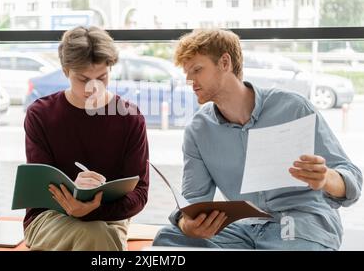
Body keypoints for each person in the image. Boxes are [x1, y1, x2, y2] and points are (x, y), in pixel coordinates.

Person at [152, 28, 362, 250]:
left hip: (299, 222)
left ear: (225, 63)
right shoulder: (198, 130)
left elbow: (353, 181)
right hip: (243, 227)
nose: (189, 79)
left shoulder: (294, 108)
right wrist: (186, 223)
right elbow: (194, 200)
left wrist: (326, 178)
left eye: (197, 69)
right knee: (168, 239)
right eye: (187, 72)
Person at [23, 26, 149, 251]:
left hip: (110, 217)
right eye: (83, 79)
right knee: (97, 236)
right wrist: (72, 196)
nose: (94, 88)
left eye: (102, 77)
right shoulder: (41, 115)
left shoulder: (130, 118)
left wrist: (94, 208)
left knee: (99, 232)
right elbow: (40, 190)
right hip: (49, 218)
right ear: (65, 71)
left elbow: (139, 194)